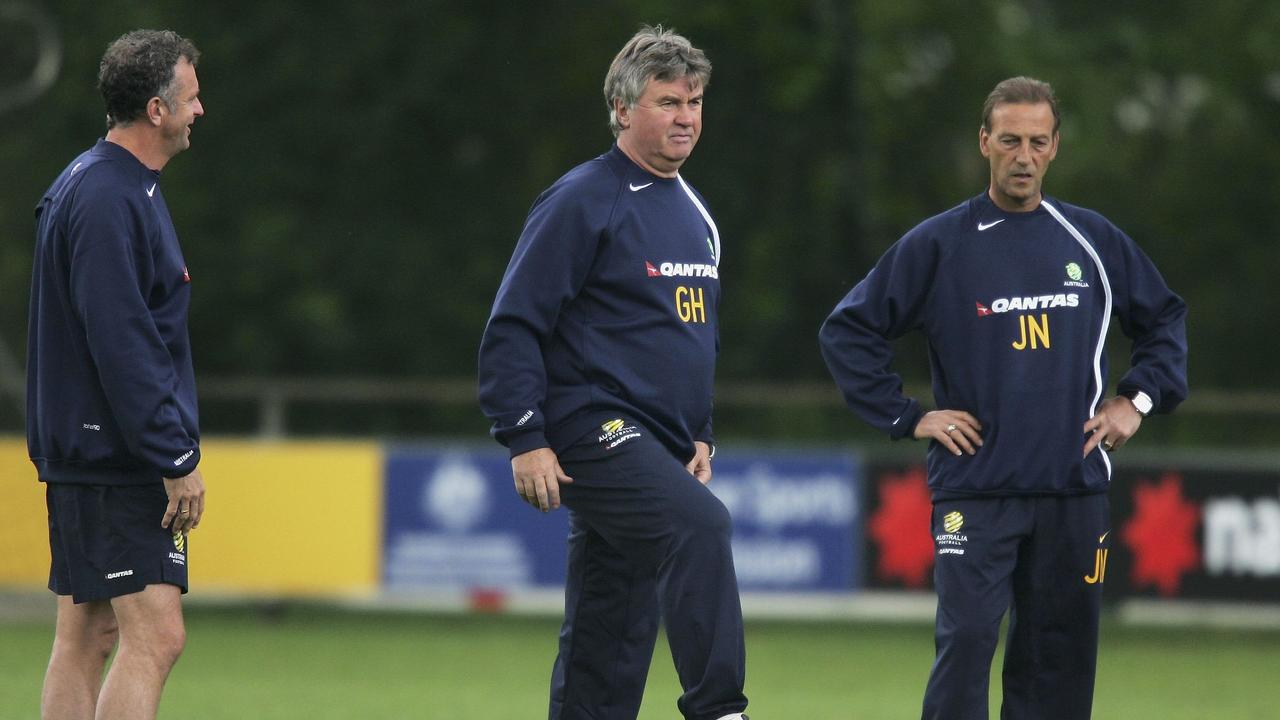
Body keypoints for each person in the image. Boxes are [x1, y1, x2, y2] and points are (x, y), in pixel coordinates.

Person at [819, 76, 1187, 720]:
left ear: (1054, 149)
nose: (1023, 156)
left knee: (1059, 657)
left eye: (1037, 142)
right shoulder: (940, 244)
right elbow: (849, 329)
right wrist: (908, 416)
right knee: (965, 642)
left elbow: (1164, 321)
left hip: (1072, 489)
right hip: (975, 490)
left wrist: (1138, 400)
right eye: (1009, 140)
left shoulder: (1092, 241)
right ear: (984, 141)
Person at [478, 25, 749, 720]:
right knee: (700, 529)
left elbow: (694, 335)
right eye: (667, 101)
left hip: (661, 437)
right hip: (591, 423)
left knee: (614, 624)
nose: (685, 115)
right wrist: (524, 436)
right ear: (624, 109)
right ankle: (721, 708)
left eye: (693, 101)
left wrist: (701, 432)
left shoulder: (697, 214)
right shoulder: (583, 198)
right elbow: (515, 325)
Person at [27, 29, 206, 720]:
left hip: (89, 446)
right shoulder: (108, 197)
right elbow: (121, 338)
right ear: (156, 110)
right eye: (191, 96)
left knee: (86, 635)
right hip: (116, 454)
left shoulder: (96, 181)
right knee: (156, 635)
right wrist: (174, 454)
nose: (200, 110)